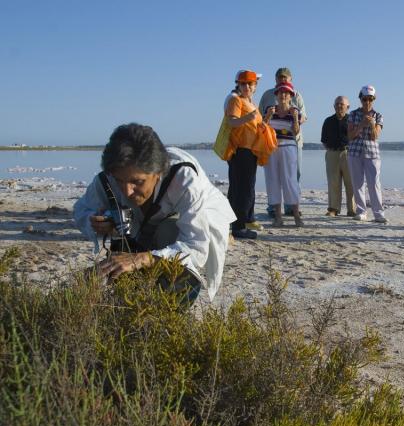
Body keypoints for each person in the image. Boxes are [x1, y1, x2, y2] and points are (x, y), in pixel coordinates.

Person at [73, 123, 236, 302]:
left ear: (159, 172)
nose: (127, 191)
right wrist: (96, 221)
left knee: (168, 235)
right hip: (145, 224)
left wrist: (142, 258)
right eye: (120, 181)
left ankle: (169, 306)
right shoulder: (109, 177)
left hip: (196, 217)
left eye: (138, 181)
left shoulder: (184, 179)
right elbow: (82, 208)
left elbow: (196, 247)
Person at [224, 69, 275, 239]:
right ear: (238, 84)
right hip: (240, 150)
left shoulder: (250, 102)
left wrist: (266, 118)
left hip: (250, 150)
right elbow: (231, 121)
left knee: (245, 187)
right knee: (241, 189)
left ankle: (242, 222)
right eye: (243, 83)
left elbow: (257, 127)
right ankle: (239, 228)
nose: (246, 86)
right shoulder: (235, 100)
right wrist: (248, 118)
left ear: (255, 86)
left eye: (250, 84)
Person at [259, 67, 307, 216]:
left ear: (291, 79)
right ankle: (274, 208)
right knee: (273, 176)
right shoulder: (268, 95)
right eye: (280, 77)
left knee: (294, 174)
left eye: (285, 77)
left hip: (293, 142)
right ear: (275, 79)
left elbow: (303, 116)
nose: (282, 79)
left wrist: (293, 117)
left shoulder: (297, 95)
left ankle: (291, 207)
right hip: (271, 143)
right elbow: (260, 118)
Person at [347, 85, 387, 223]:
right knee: (357, 183)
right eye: (365, 99)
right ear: (360, 99)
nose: (367, 102)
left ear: (374, 99)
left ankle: (378, 213)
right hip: (355, 151)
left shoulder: (378, 116)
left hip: (372, 153)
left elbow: (375, 136)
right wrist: (362, 125)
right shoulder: (352, 115)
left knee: (374, 183)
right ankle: (361, 211)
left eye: (370, 99)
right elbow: (350, 135)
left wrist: (371, 125)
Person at [321, 96, 355, 217]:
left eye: (342, 104)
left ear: (348, 107)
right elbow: (323, 140)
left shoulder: (352, 120)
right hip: (332, 153)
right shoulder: (328, 121)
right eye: (337, 104)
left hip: (348, 153)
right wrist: (331, 150)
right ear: (334, 106)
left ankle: (352, 209)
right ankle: (333, 209)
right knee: (333, 182)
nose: (339, 106)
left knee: (351, 182)